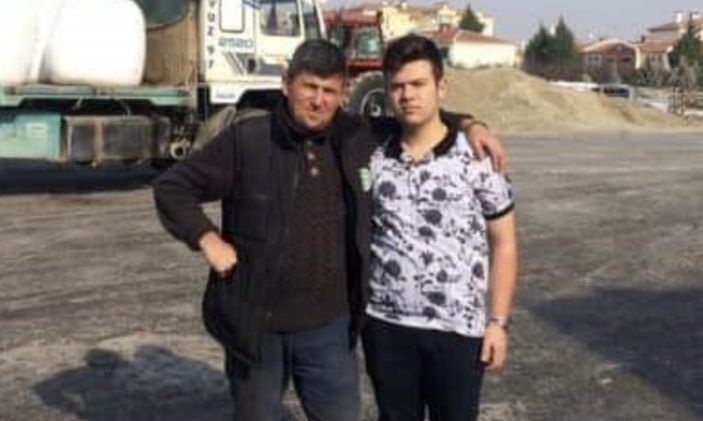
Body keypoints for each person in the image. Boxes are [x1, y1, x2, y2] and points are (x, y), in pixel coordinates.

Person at [153, 39, 505, 421]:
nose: (319, 101)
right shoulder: (248, 139)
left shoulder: (356, 135)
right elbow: (172, 187)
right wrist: (207, 238)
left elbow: (419, 113)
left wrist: (470, 124)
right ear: (287, 83)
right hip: (257, 328)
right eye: (310, 87)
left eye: (330, 91)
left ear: (342, 94)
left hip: (329, 331)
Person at [361, 34, 518, 421]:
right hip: (387, 326)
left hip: (458, 332)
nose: (407, 95)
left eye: (418, 84)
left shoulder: (478, 158)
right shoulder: (375, 152)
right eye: (397, 86)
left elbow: (504, 244)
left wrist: (497, 323)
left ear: (440, 87)